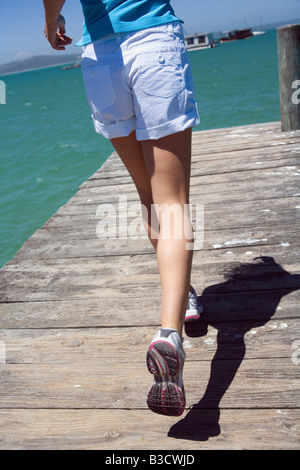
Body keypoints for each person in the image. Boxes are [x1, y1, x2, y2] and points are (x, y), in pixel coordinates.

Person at [43, 0, 203, 417]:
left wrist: (51, 19)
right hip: (152, 40)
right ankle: (170, 333)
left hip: (101, 55)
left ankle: (183, 294)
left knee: (149, 195)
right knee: (172, 202)